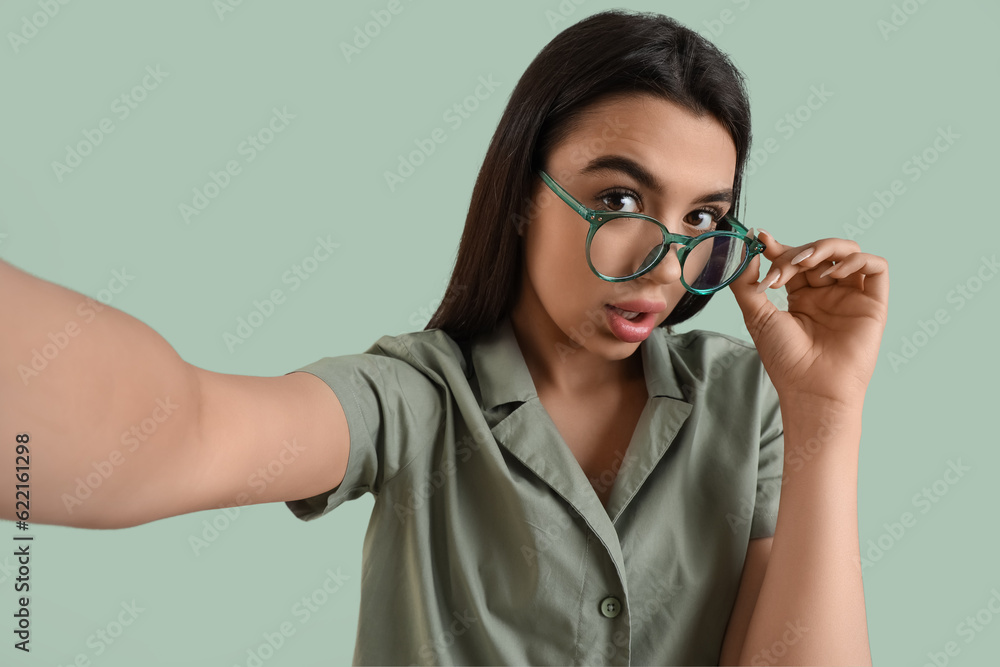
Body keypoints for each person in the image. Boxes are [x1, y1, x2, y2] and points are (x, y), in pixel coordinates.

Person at [0, 9, 886, 666]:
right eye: (619, 202)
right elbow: (177, 427)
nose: (664, 263)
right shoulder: (417, 401)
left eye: (703, 218)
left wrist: (826, 413)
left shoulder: (744, 401)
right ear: (520, 194)